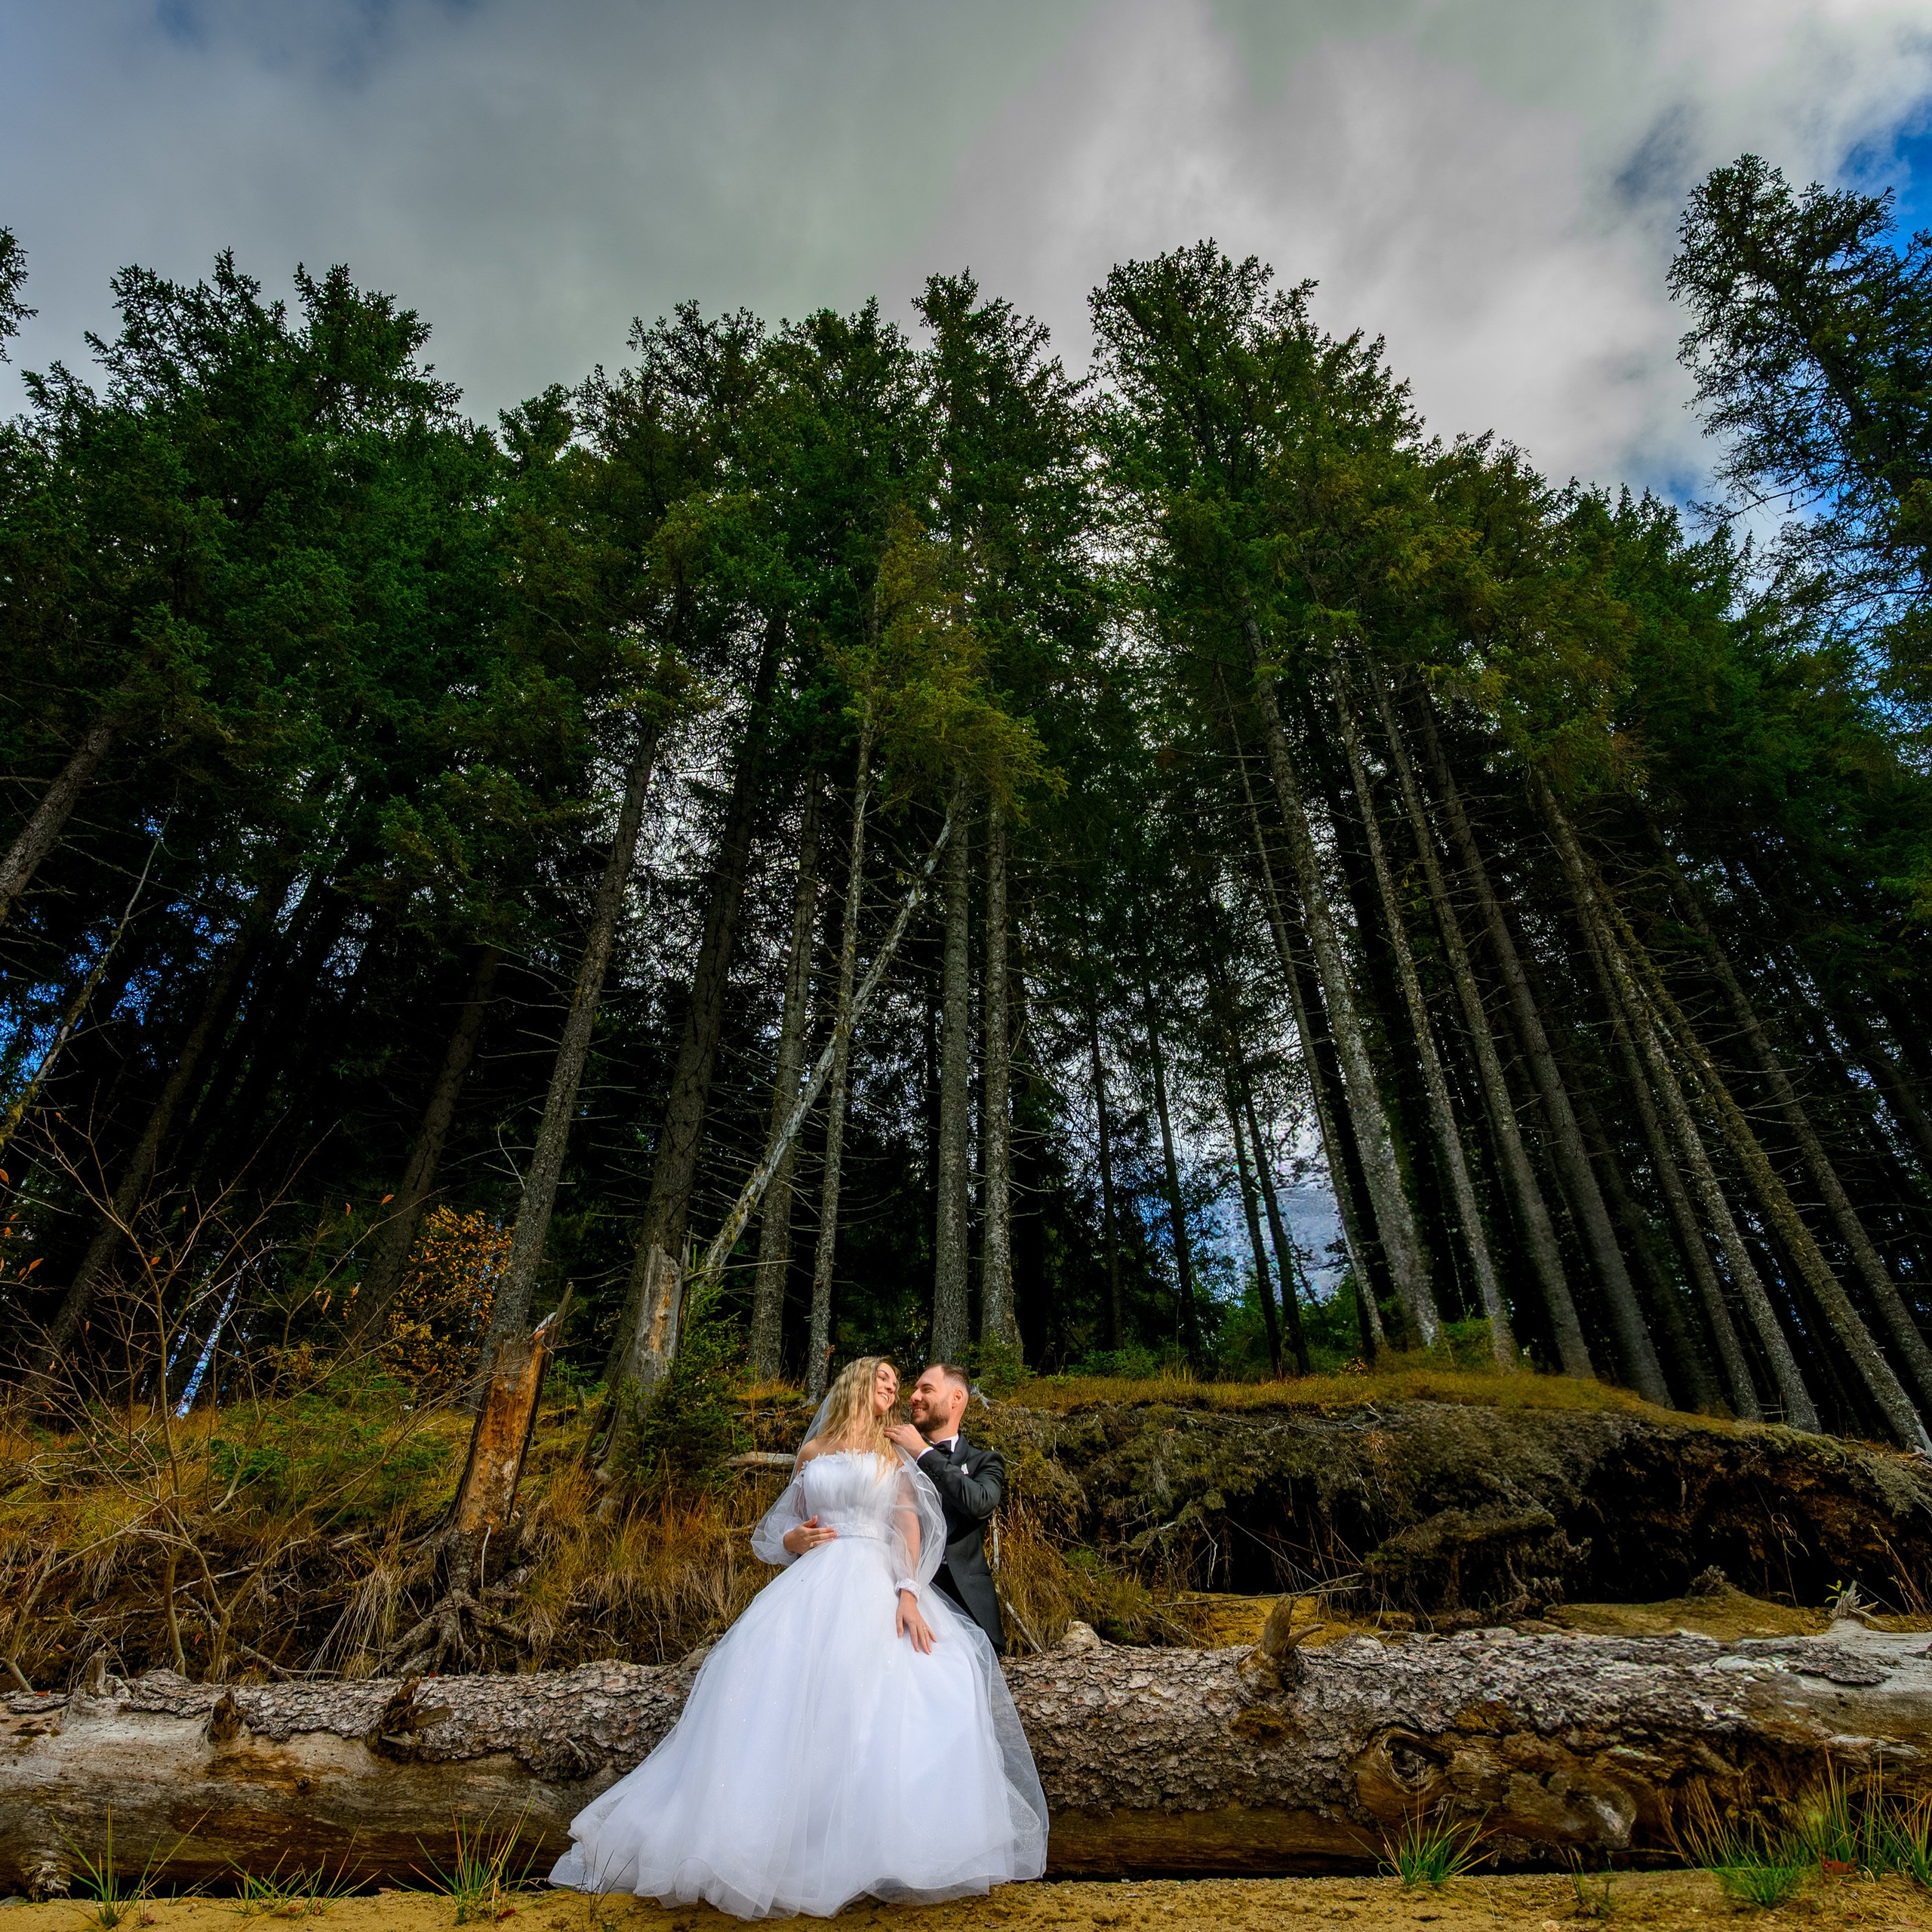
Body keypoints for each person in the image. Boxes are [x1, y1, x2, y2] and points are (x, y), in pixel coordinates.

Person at [549, 1356, 1048, 1919]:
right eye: (884, 1381)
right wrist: (794, 1539)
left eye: (903, 1384)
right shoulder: (813, 1453)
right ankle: (765, 1841)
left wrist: (908, 1589)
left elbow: (909, 1523)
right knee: (783, 1698)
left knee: (892, 1694)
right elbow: (779, 1529)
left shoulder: (897, 1452)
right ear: (859, 1385)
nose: (896, 1391)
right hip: (815, 1582)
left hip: (876, 1579)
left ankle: (867, 1844)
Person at [887, 1362, 1005, 1648]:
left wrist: (924, 1453)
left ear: (956, 1399)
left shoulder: (985, 1461)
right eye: (914, 1389)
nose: (913, 1396)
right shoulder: (891, 1455)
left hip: (965, 1602)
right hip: (892, 1593)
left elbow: (979, 1503)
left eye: (926, 1389)